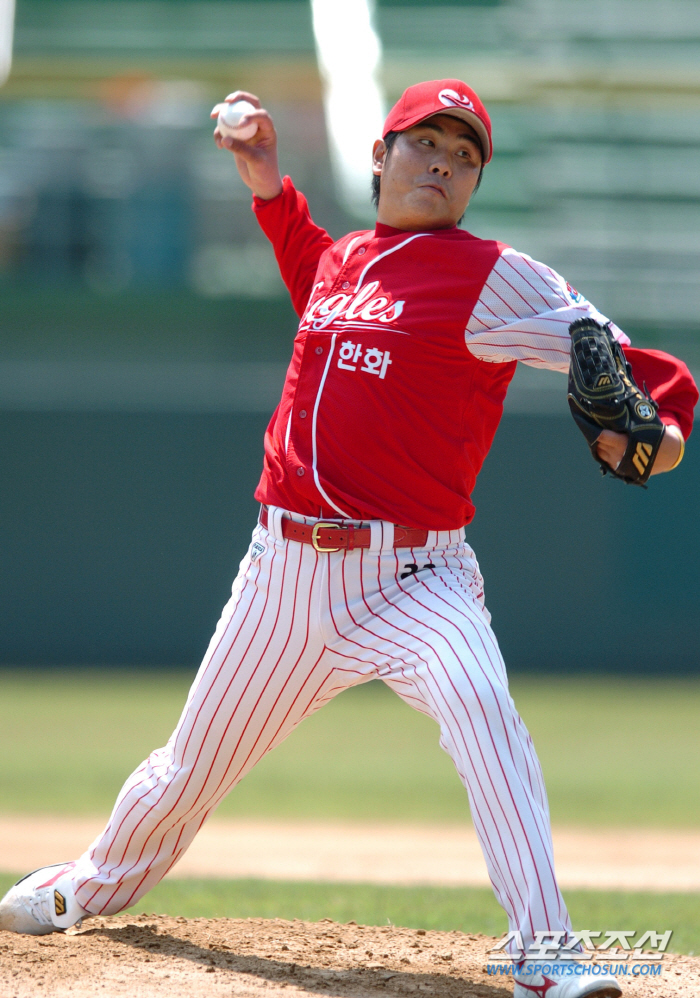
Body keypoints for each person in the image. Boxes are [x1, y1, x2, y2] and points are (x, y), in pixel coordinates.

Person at [1, 79, 696, 998]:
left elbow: (623, 361)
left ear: (475, 183)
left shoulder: (492, 274)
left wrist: (669, 426)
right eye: (424, 143)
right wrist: (267, 182)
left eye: (463, 156)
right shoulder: (347, 263)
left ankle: (545, 954)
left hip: (417, 574)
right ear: (381, 155)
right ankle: (88, 887)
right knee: (187, 771)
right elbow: (312, 271)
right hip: (285, 575)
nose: (442, 163)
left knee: (484, 713)